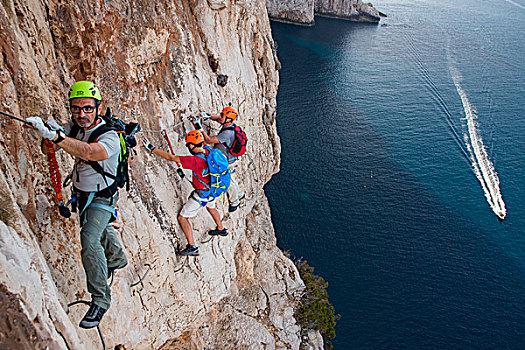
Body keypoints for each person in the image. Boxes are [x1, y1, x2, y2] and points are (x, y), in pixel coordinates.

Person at [26, 81, 127, 329]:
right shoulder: (73, 126)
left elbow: (91, 153)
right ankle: (117, 257)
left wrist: (57, 136)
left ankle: (101, 300)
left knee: (90, 239)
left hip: (103, 196)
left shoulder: (110, 136)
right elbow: (46, 149)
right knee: (99, 228)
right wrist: (48, 135)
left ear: (98, 107)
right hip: (83, 194)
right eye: (76, 109)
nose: (81, 114)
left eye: (87, 108)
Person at [142, 130, 227, 256]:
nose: (188, 147)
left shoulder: (195, 161)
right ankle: (221, 228)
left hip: (202, 194)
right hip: (213, 189)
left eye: (189, 145)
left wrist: (152, 148)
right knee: (211, 207)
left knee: (182, 217)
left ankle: (192, 246)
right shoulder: (209, 151)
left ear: (192, 145)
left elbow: (171, 157)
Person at [196, 106, 245, 212]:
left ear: (228, 119)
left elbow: (209, 140)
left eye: (223, 115)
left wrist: (199, 128)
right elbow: (218, 118)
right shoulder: (229, 124)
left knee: (227, 181)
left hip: (228, 161)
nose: (220, 116)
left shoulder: (227, 133)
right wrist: (207, 116)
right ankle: (240, 194)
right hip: (230, 159)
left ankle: (234, 202)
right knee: (231, 178)